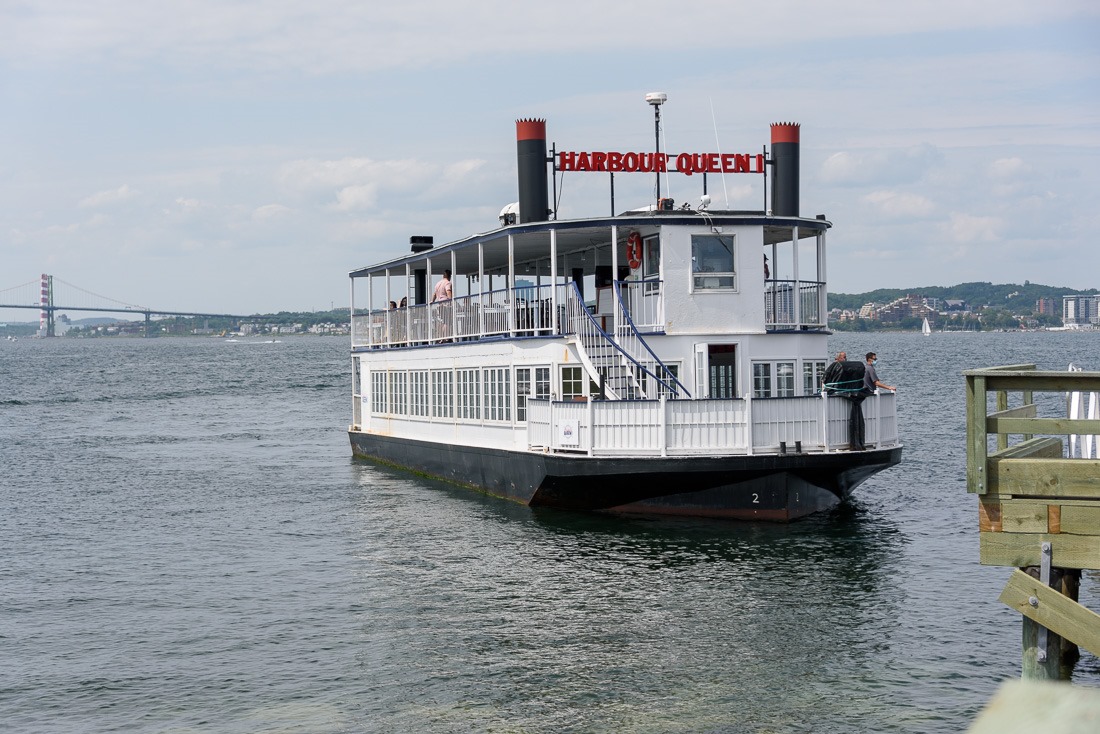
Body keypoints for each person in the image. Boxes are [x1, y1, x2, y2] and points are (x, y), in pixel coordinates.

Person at [431, 269, 453, 339]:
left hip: (439, 305)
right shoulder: (447, 283)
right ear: (449, 276)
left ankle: (440, 338)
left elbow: (434, 293)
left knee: (441, 322)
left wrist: (432, 301)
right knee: (447, 322)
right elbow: (448, 291)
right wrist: (451, 301)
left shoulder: (438, 283)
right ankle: (446, 337)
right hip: (446, 305)